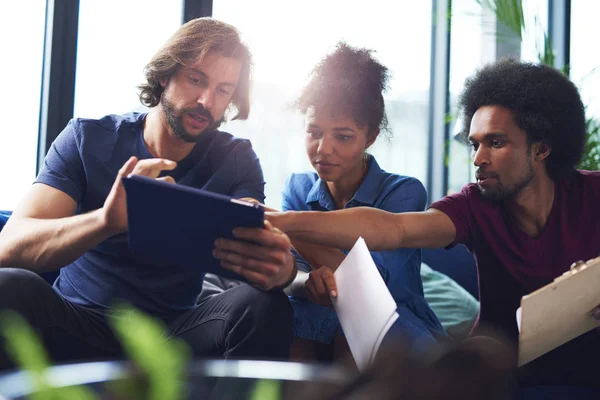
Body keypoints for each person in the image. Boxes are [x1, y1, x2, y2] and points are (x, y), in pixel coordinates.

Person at [266, 58, 600, 387]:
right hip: (504, 373)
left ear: (541, 149)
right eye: (475, 144)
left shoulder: (594, 193)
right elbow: (395, 229)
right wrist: (284, 221)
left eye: (496, 143)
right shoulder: (475, 203)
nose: (478, 159)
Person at [0, 17, 295, 369]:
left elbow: (261, 249)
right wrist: (105, 221)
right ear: (164, 75)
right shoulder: (87, 139)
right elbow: (10, 247)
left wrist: (283, 270)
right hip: (78, 323)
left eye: (223, 89)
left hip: (175, 336)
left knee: (266, 305)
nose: (206, 101)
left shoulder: (236, 159)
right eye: (196, 79)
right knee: (9, 286)